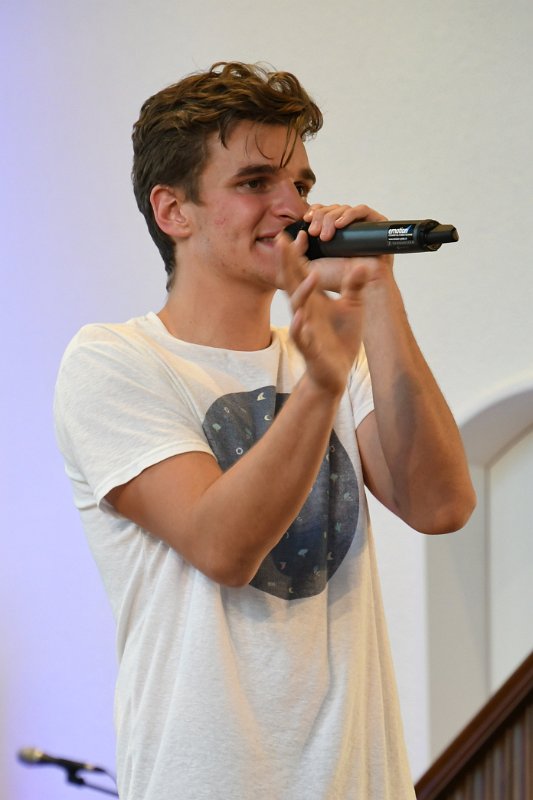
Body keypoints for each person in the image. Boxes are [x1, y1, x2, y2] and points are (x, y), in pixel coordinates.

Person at [54, 61, 476, 800]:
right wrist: (319, 387)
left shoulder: (326, 354)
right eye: (255, 183)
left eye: (302, 185)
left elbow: (440, 505)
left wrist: (379, 293)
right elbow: (222, 546)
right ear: (173, 211)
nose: (293, 208)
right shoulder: (114, 360)